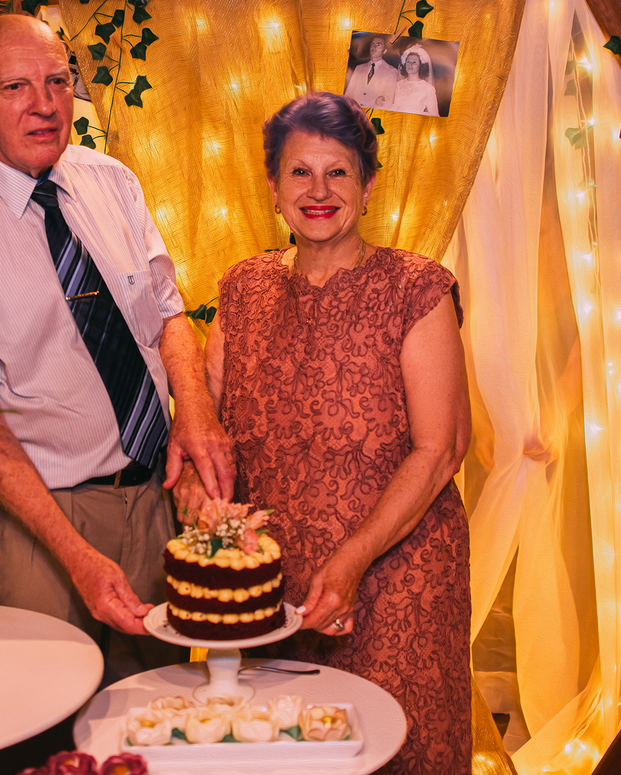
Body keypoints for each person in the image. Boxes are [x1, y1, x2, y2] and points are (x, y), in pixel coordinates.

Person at [0, 14, 235, 682]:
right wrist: (76, 555)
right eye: (15, 87)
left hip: (155, 498)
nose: (46, 105)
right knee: (46, 709)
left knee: (160, 706)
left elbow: (168, 314)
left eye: (57, 81)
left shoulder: (112, 181)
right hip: (44, 521)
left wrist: (195, 411)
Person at [176, 91, 472, 773]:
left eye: (337, 172)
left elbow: (441, 450)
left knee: (398, 750)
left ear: (367, 186)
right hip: (275, 587)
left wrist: (354, 559)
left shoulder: (416, 288)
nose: (318, 191)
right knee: (282, 749)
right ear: (273, 185)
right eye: (299, 172)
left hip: (399, 575)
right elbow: (206, 428)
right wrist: (196, 486)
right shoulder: (242, 288)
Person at [344, 35, 397, 110]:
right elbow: (349, 93)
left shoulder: (391, 71)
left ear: (384, 51)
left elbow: (388, 99)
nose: (374, 47)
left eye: (378, 45)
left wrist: (380, 101)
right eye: (372, 44)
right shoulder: (359, 68)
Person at [391, 45, 441, 116]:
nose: (410, 65)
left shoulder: (428, 88)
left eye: (414, 62)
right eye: (408, 61)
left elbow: (434, 114)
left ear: (420, 65)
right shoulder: (398, 85)